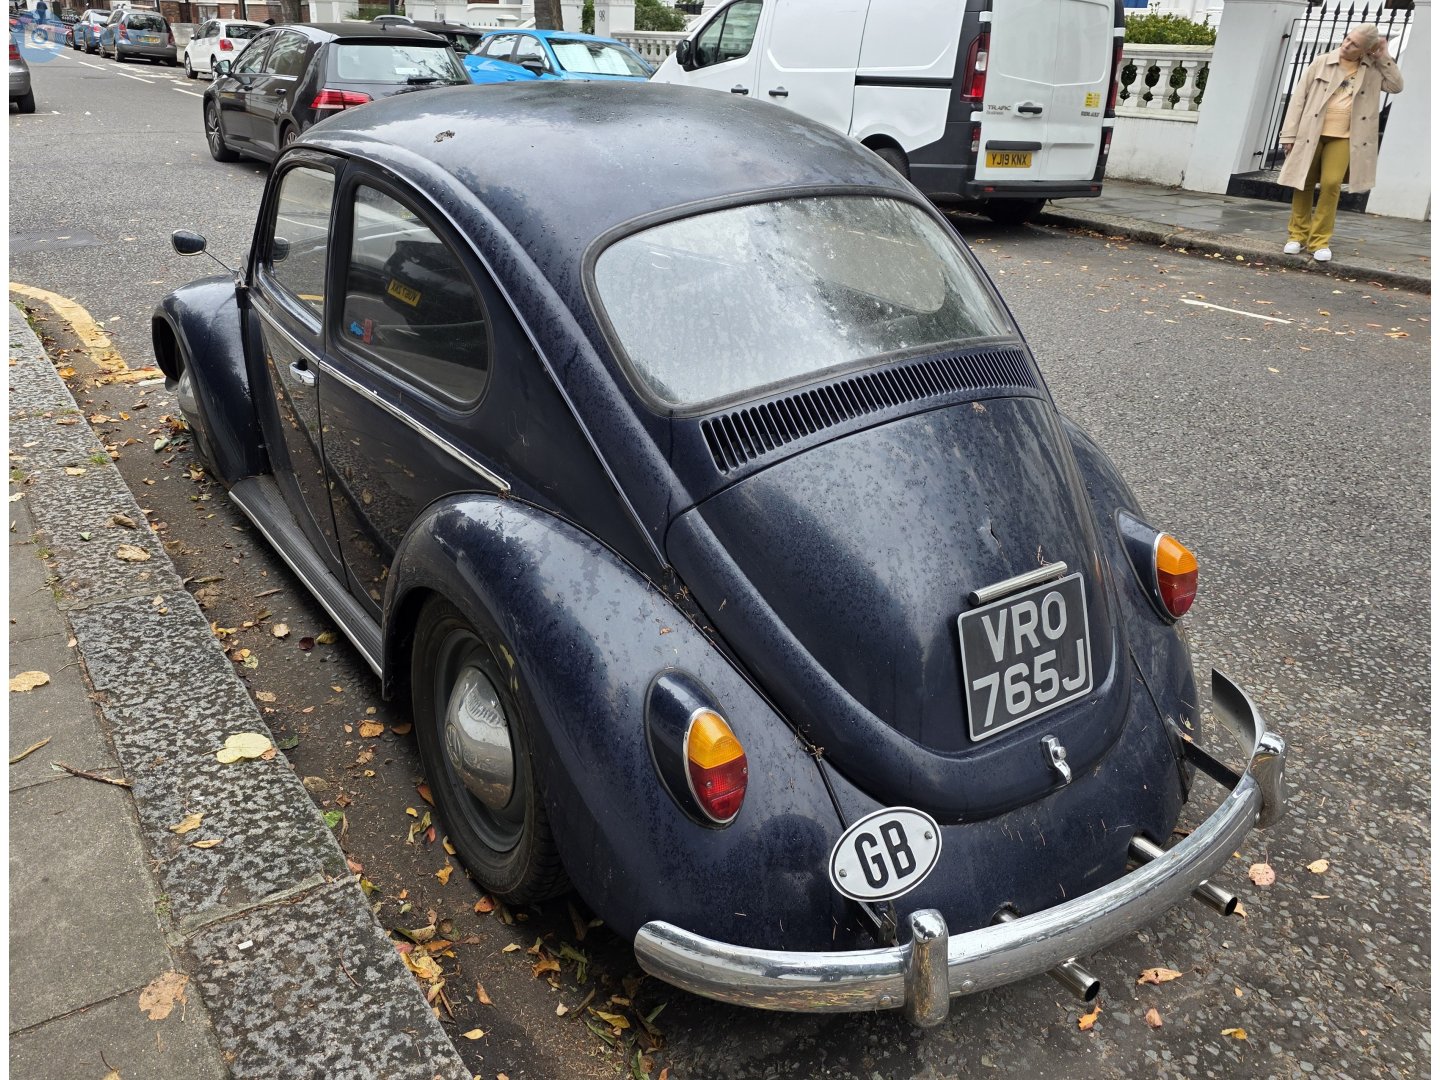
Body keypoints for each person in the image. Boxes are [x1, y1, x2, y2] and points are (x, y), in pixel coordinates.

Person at [1278, 24, 1403, 262]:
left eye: (1354, 44)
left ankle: (1319, 241)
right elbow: (1298, 98)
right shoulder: (1322, 61)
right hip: (1310, 133)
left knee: (1331, 183)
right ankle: (1296, 236)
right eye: (1347, 39)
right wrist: (1288, 135)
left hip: (1345, 136)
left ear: (1365, 49)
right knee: (1301, 182)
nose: (1347, 45)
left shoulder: (1372, 69)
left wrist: (1384, 56)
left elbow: (1396, 86)